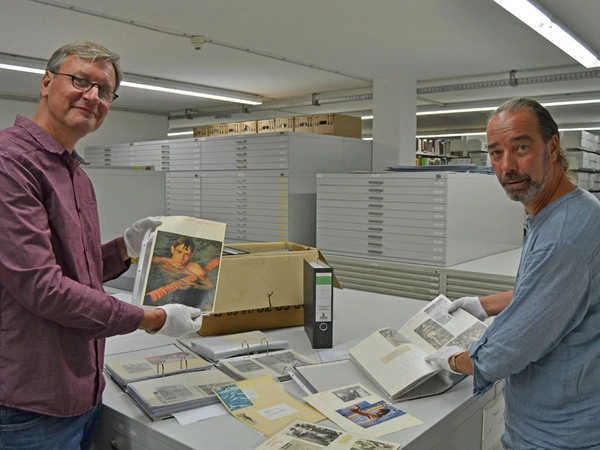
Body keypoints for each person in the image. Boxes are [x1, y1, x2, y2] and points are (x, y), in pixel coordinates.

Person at [0, 41, 204, 450]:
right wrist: (153, 318)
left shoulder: (75, 173)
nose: (92, 96)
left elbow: (76, 267)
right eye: (80, 80)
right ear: (45, 82)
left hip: (82, 392)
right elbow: (43, 287)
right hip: (31, 406)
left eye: (104, 90)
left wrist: (122, 248)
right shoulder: (10, 163)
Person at [425, 98, 600, 449]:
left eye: (521, 147)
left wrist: (451, 360)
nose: (507, 166)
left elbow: (506, 353)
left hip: (559, 436)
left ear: (552, 148)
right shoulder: (568, 209)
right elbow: (552, 294)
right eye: (495, 153)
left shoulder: (563, 236)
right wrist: (484, 304)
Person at [143, 235, 217, 308]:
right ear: (173, 249)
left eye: (186, 254)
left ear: (191, 255)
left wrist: (194, 285)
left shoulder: (195, 270)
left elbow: (210, 286)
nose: (181, 258)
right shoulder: (161, 262)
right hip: (169, 287)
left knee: (207, 305)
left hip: (191, 292)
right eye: (179, 252)